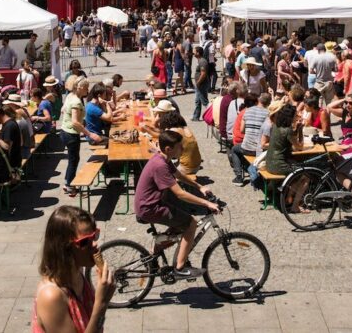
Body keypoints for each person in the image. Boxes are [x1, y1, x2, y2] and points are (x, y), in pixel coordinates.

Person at [134, 129, 219, 280]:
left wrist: (200, 187)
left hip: (151, 203)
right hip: (150, 207)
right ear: (169, 149)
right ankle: (180, 267)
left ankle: (154, 252)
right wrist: (206, 203)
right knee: (190, 223)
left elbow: (180, 175)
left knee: (179, 228)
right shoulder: (160, 165)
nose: (183, 149)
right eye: (180, 146)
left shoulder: (163, 158)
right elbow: (180, 193)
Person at [32, 205, 115, 333]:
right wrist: (102, 303)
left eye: (95, 235)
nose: (94, 244)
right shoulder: (51, 296)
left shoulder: (77, 273)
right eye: (84, 242)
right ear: (64, 249)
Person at [60, 78, 103, 197]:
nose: (88, 90)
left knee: (72, 159)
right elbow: (74, 122)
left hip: (64, 131)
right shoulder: (76, 102)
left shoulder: (70, 96)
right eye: (86, 87)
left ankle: (68, 182)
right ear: (80, 88)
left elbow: (63, 110)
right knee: (74, 160)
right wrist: (89, 134)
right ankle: (69, 186)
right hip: (71, 134)